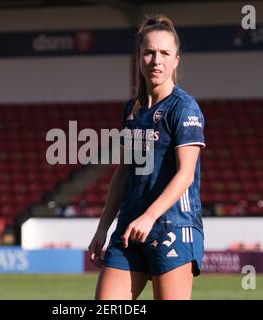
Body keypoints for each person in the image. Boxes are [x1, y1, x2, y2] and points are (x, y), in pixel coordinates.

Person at [88, 14, 206, 300]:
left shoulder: (185, 108)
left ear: (176, 59)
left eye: (165, 53)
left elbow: (185, 174)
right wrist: (103, 228)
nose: (157, 60)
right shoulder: (133, 110)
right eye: (149, 52)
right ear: (139, 57)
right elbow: (124, 173)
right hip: (129, 227)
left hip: (172, 226)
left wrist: (150, 217)